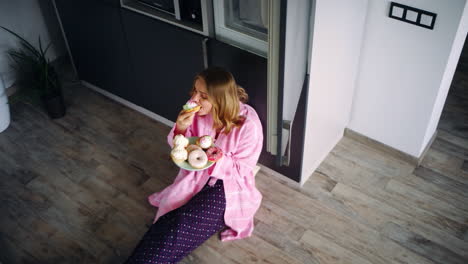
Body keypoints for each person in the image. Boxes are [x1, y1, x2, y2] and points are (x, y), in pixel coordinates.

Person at [125, 67, 263, 263]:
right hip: (196, 176)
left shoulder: (249, 125)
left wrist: (214, 157)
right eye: (195, 91)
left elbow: (243, 170)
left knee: (181, 226)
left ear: (221, 99)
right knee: (167, 221)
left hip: (227, 186)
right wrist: (180, 127)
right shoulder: (197, 113)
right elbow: (180, 147)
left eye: (203, 95)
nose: (194, 99)